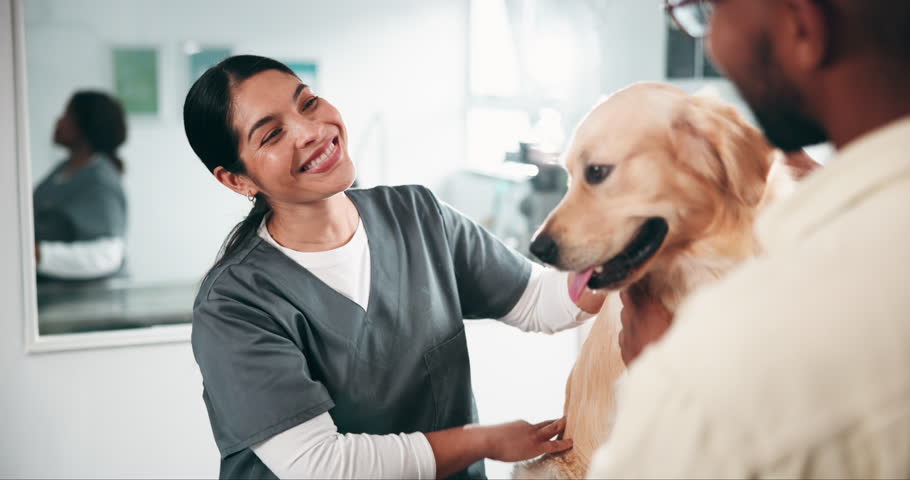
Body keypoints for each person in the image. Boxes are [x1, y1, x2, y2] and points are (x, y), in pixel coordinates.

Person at [183, 55, 605, 480]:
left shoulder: (417, 216)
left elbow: (537, 300)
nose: (311, 131)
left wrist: (625, 258)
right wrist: (485, 441)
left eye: (308, 103)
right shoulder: (234, 305)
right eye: (273, 133)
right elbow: (320, 466)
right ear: (237, 180)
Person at [589, 0, 910, 477]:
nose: (711, 44)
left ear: (803, 27)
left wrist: (665, 373)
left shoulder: (706, 382)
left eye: (710, 12)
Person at [33, 91, 128, 282]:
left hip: (86, 299)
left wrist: (38, 254)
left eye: (67, 115)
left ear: (86, 124)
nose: (58, 121)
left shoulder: (100, 179)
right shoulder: (63, 170)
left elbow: (107, 253)